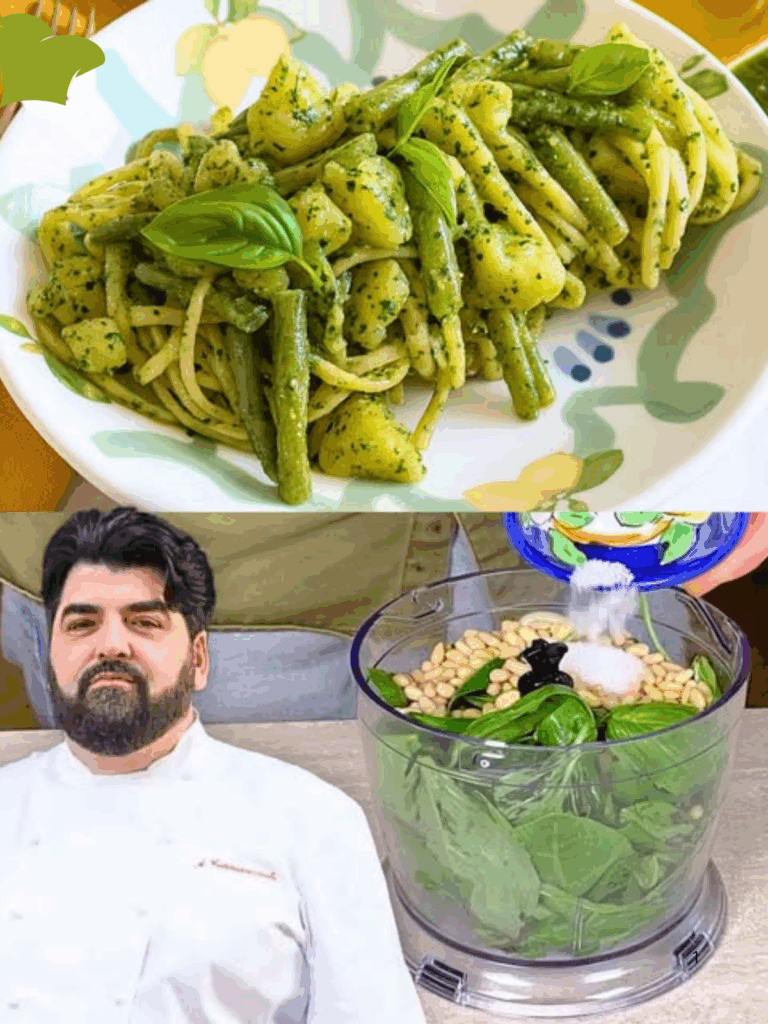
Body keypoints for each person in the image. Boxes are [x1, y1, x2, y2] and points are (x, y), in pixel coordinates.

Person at [0, 508, 428, 1023]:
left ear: (198, 659)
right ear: (49, 656)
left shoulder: (314, 818)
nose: (110, 644)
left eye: (145, 622)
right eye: (82, 624)